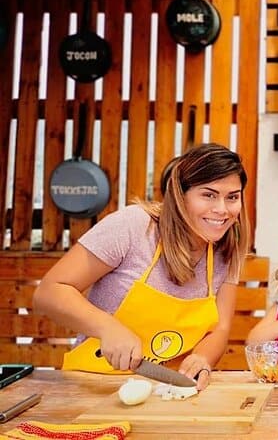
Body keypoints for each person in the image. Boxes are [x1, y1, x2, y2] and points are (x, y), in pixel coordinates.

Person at [33, 143, 250, 390]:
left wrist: (202, 358)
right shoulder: (134, 226)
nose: (222, 209)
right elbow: (49, 292)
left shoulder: (228, 249)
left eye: (232, 197)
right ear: (181, 195)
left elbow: (220, 328)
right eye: (208, 195)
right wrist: (108, 328)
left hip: (167, 393)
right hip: (93, 387)